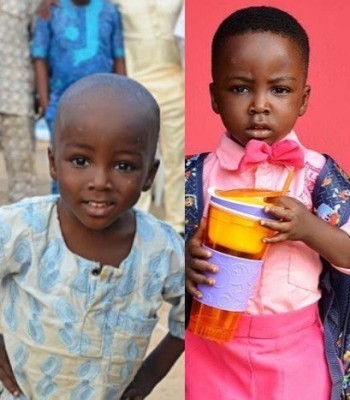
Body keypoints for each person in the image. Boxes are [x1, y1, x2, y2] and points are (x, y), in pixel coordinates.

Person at [185, 6, 350, 400]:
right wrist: (184, 253)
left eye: (279, 89)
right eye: (240, 88)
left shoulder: (318, 175)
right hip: (212, 345)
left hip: (296, 350)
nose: (260, 104)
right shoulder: (196, 174)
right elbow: (163, 245)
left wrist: (309, 229)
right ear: (214, 96)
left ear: (303, 98)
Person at [0, 74, 184, 399]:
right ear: (54, 164)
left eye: (124, 166)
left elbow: (196, 311)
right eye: (81, 161)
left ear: (149, 176)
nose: (100, 181)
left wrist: (151, 375)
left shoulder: (163, 249)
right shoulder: (24, 228)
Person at [31, 0, 126, 194]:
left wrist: (124, 101)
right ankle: (58, 219)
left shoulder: (109, 11)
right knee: (63, 167)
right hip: (60, 104)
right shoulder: (50, 10)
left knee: (100, 163)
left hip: (103, 106)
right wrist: (44, 99)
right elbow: (40, 57)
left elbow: (118, 57)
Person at [0, 1, 38, 203]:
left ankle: (22, 233)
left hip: (15, 96)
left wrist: (40, 92)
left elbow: (38, 40)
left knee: (22, 177)